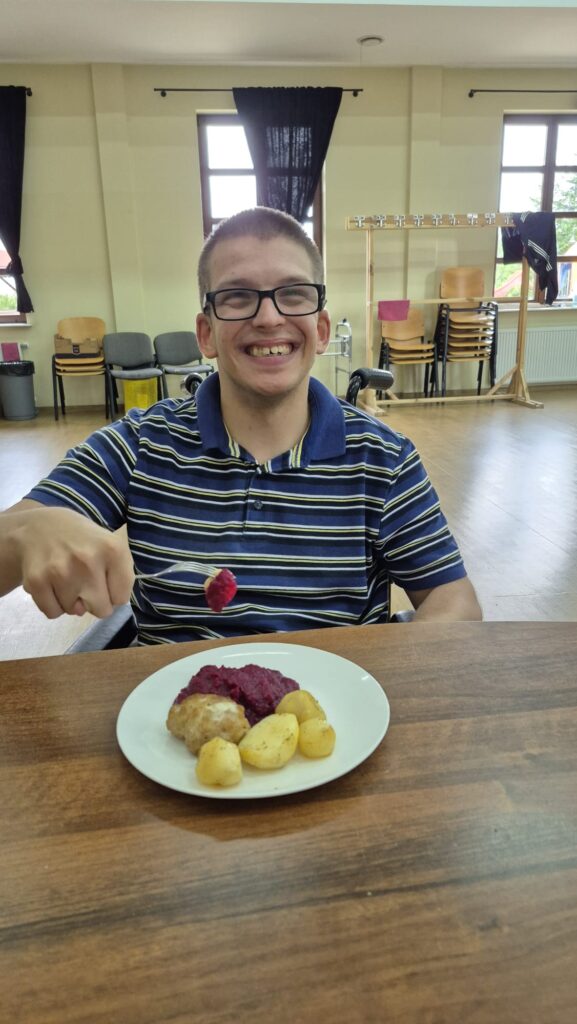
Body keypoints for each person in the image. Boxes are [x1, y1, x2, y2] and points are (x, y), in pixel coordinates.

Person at [0, 207, 481, 643]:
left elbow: (453, 600)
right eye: (237, 297)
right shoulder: (140, 445)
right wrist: (29, 534)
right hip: (175, 708)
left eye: (293, 294)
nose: (269, 317)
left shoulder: (384, 459)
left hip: (331, 708)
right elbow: (13, 532)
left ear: (321, 329)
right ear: (206, 333)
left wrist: (393, 675)